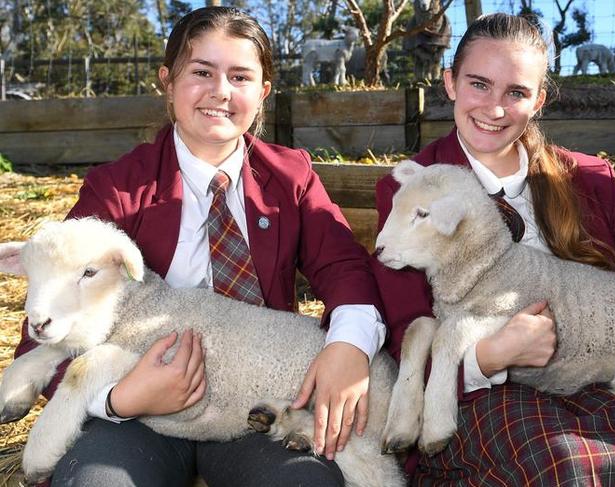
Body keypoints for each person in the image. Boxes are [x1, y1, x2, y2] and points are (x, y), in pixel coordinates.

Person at [14, 7, 388, 486]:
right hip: (139, 412)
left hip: (256, 406)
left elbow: (345, 268)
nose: (221, 92)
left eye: (240, 76)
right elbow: (41, 331)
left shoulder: (291, 177)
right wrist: (119, 398)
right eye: (202, 72)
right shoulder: (118, 189)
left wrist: (348, 346)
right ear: (167, 82)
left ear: (263, 94)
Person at [371, 12, 615, 486]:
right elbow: (404, 327)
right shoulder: (415, 189)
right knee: (569, 469)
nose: (495, 108)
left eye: (516, 92)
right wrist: (489, 356)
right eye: (479, 84)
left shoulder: (588, 177)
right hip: (482, 393)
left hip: (595, 371)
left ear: (538, 100)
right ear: (450, 83)